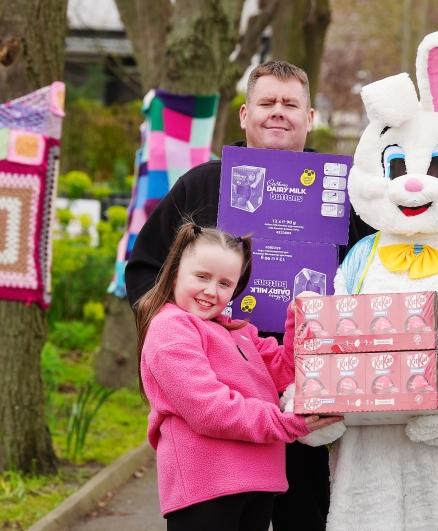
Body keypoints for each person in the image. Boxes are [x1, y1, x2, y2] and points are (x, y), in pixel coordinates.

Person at [126, 60, 374, 530]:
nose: (277, 113)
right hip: (216, 386)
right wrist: (186, 330)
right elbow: (144, 272)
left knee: (304, 511)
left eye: (290, 104)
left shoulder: (344, 194)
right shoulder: (200, 185)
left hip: (303, 382)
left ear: (309, 116)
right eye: (266, 102)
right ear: (245, 114)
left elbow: (371, 275)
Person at [135, 222, 341, 530]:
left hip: (260, 481)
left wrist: (298, 326)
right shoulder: (171, 327)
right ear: (176, 271)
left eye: (224, 283)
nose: (210, 291)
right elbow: (209, 410)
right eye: (202, 277)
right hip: (208, 486)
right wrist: (287, 423)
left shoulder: (239, 331)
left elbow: (284, 375)